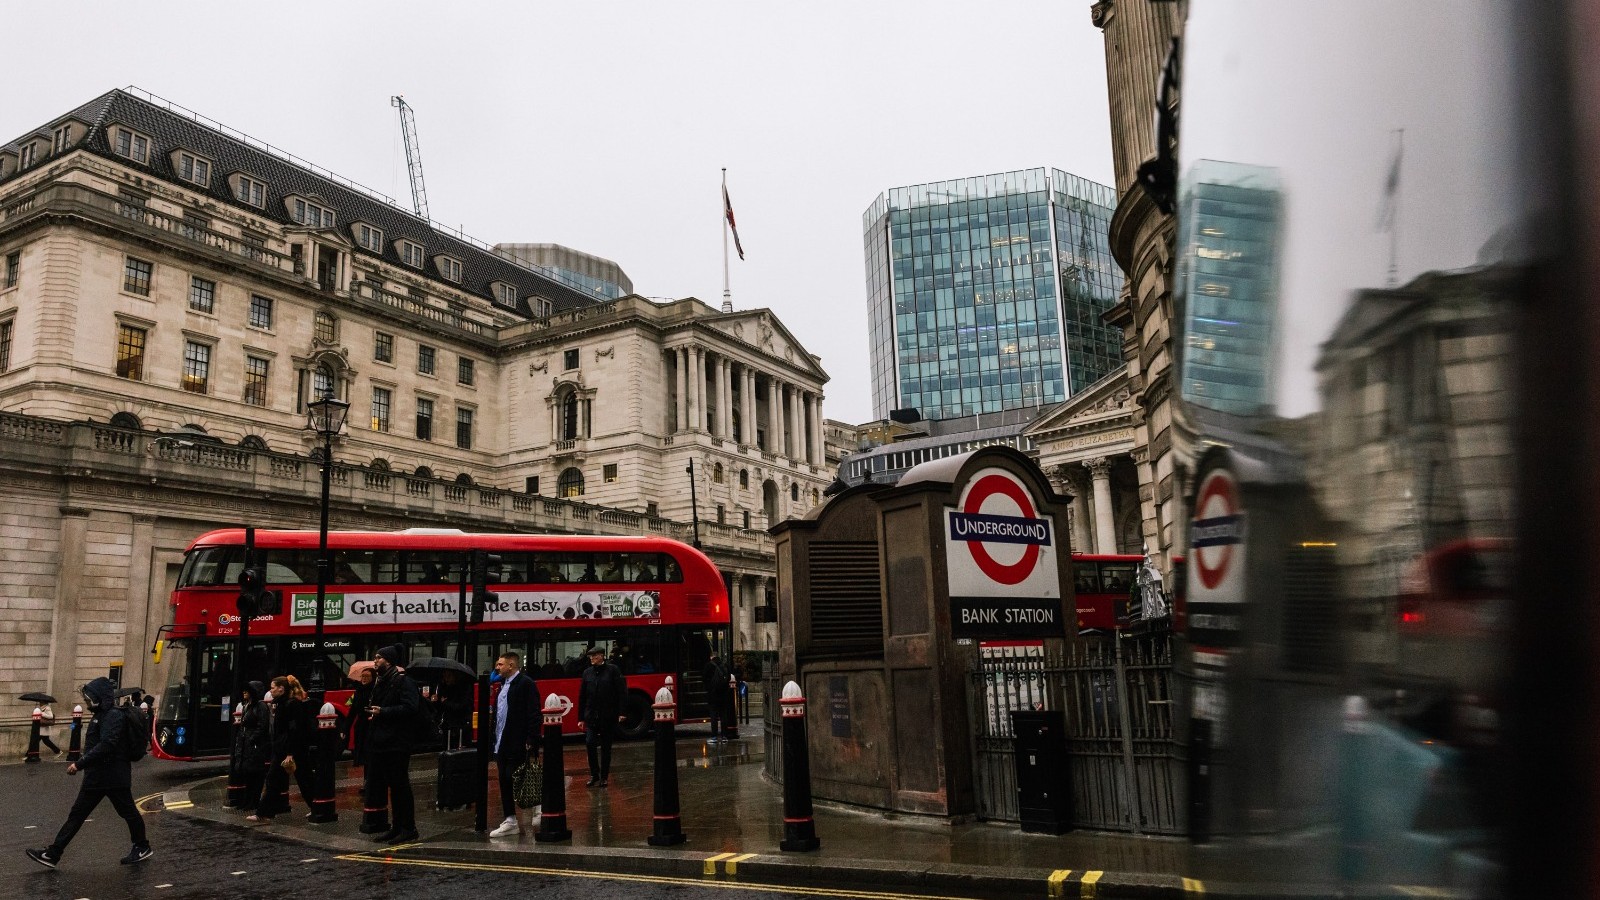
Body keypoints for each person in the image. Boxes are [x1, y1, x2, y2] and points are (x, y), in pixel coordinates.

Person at [27, 677, 152, 868]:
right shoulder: (102, 715)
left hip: (111, 776)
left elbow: (107, 744)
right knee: (79, 815)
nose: (86, 702)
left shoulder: (112, 716)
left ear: (98, 698)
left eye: (89, 698)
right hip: (99, 776)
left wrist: (80, 764)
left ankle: (142, 846)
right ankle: (53, 854)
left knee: (127, 813)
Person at [365, 644, 422, 844]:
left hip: (398, 743)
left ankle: (409, 828)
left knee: (401, 786)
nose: (375, 661)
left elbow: (410, 707)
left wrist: (384, 712)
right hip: (382, 742)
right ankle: (397, 827)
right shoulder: (381, 682)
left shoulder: (403, 681)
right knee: (393, 786)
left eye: (378, 657)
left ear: (388, 661)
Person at [249, 675, 316, 823]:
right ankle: (264, 813)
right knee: (277, 780)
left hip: (290, 751)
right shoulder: (279, 704)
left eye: (273, 687)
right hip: (283, 750)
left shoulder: (291, 705)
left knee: (303, 780)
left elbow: (294, 730)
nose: (270, 690)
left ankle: (317, 809)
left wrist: (290, 753)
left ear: (281, 688)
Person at [489, 652, 539, 837]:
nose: (497, 667)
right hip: (501, 743)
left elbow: (534, 714)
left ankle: (538, 806)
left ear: (511, 665)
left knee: (516, 776)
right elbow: (499, 716)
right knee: (504, 779)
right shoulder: (502, 685)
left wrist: (531, 740)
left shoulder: (526, 684)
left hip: (517, 741)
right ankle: (510, 820)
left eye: (500, 664)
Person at [577, 645, 625, 786]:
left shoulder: (613, 670)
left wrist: (621, 712)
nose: (592, 658)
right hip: (591, 716)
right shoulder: (587, 673)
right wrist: (580, 718)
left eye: (594, 656)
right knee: (590, 742)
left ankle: (604, 777)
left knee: (606, 747)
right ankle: (594, 774)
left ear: (602, 656)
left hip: (608, 715)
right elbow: (582, 696)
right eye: (590, 656)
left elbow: (621, 692)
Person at [234, 681, 271, 811]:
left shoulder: (260, 706)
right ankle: (247, 801)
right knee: (248, 774)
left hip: (255, 746)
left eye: (247, 690)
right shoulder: (246, 705)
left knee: (255, 774)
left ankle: (253, 802)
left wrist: (252, 739)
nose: (244, 692)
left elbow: (263, 726)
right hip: (247, 745)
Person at [433, 669, 473, 750]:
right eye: (445, 677)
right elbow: (440, 707)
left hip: (459, 724)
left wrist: (445, 702)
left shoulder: (463, 689)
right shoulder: (443, 687)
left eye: (449, 676)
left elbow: (461, 706)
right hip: (447, 724)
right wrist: (436, 701)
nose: (446, 679)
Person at [703, 652, 729, 743]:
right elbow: (728, 678)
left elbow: (705, 680)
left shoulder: (708, 666)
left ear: (711, 657)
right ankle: (724, 736)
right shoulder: (724, 665)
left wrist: (710, 689)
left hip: (713, 695)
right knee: (723, 716)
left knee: (713, 716)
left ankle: (714, 737)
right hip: (723, 695)